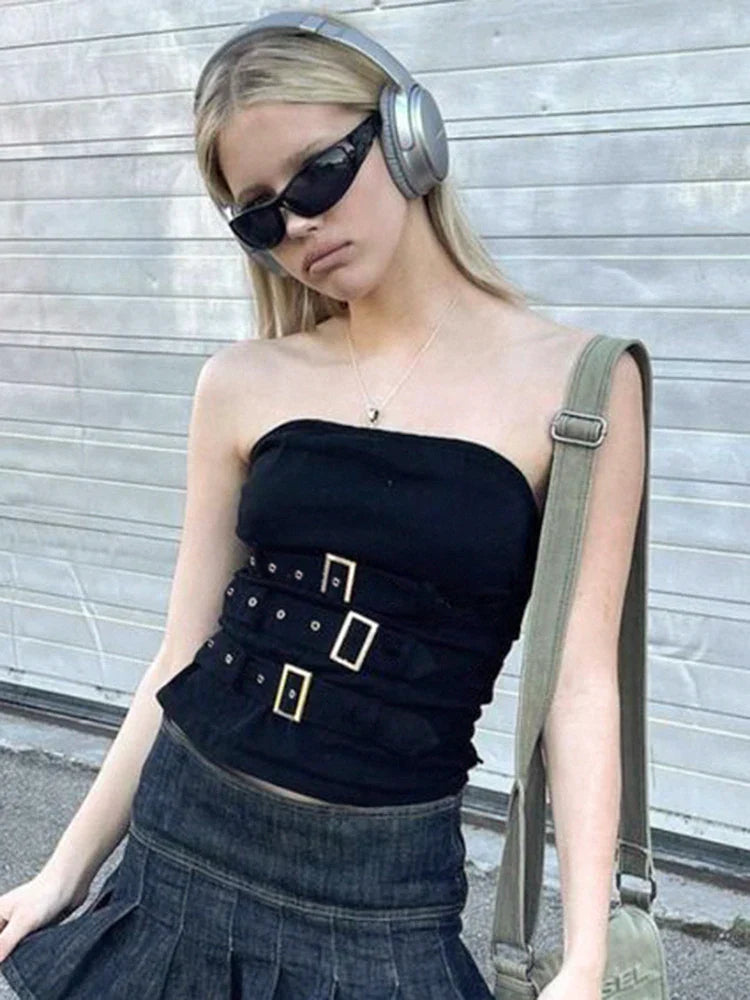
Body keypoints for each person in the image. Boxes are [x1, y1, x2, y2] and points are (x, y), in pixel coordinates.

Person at [0, 8, 646, 1000]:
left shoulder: (583, 386)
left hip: (382, 899)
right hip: (182, 847)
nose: (297, 225)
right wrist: (64, 871)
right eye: (261, 214)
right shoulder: (241, 381)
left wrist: (586, 958)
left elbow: (580, 681)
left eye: (316, 175)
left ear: (410, 136)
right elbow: (180, 653)